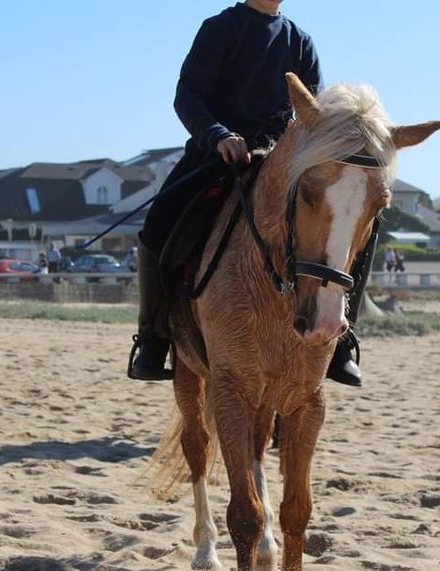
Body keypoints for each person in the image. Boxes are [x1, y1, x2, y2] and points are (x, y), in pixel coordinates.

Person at [128, 0, 340, 381]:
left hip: (281, 162)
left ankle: (339, 344)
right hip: (219, 156)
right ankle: (154, 336)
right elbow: (188, 96)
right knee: (158, 226)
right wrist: (218, 135)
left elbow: (313, 110)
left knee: (344, 230)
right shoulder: (221, 28)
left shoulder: (300, 41)